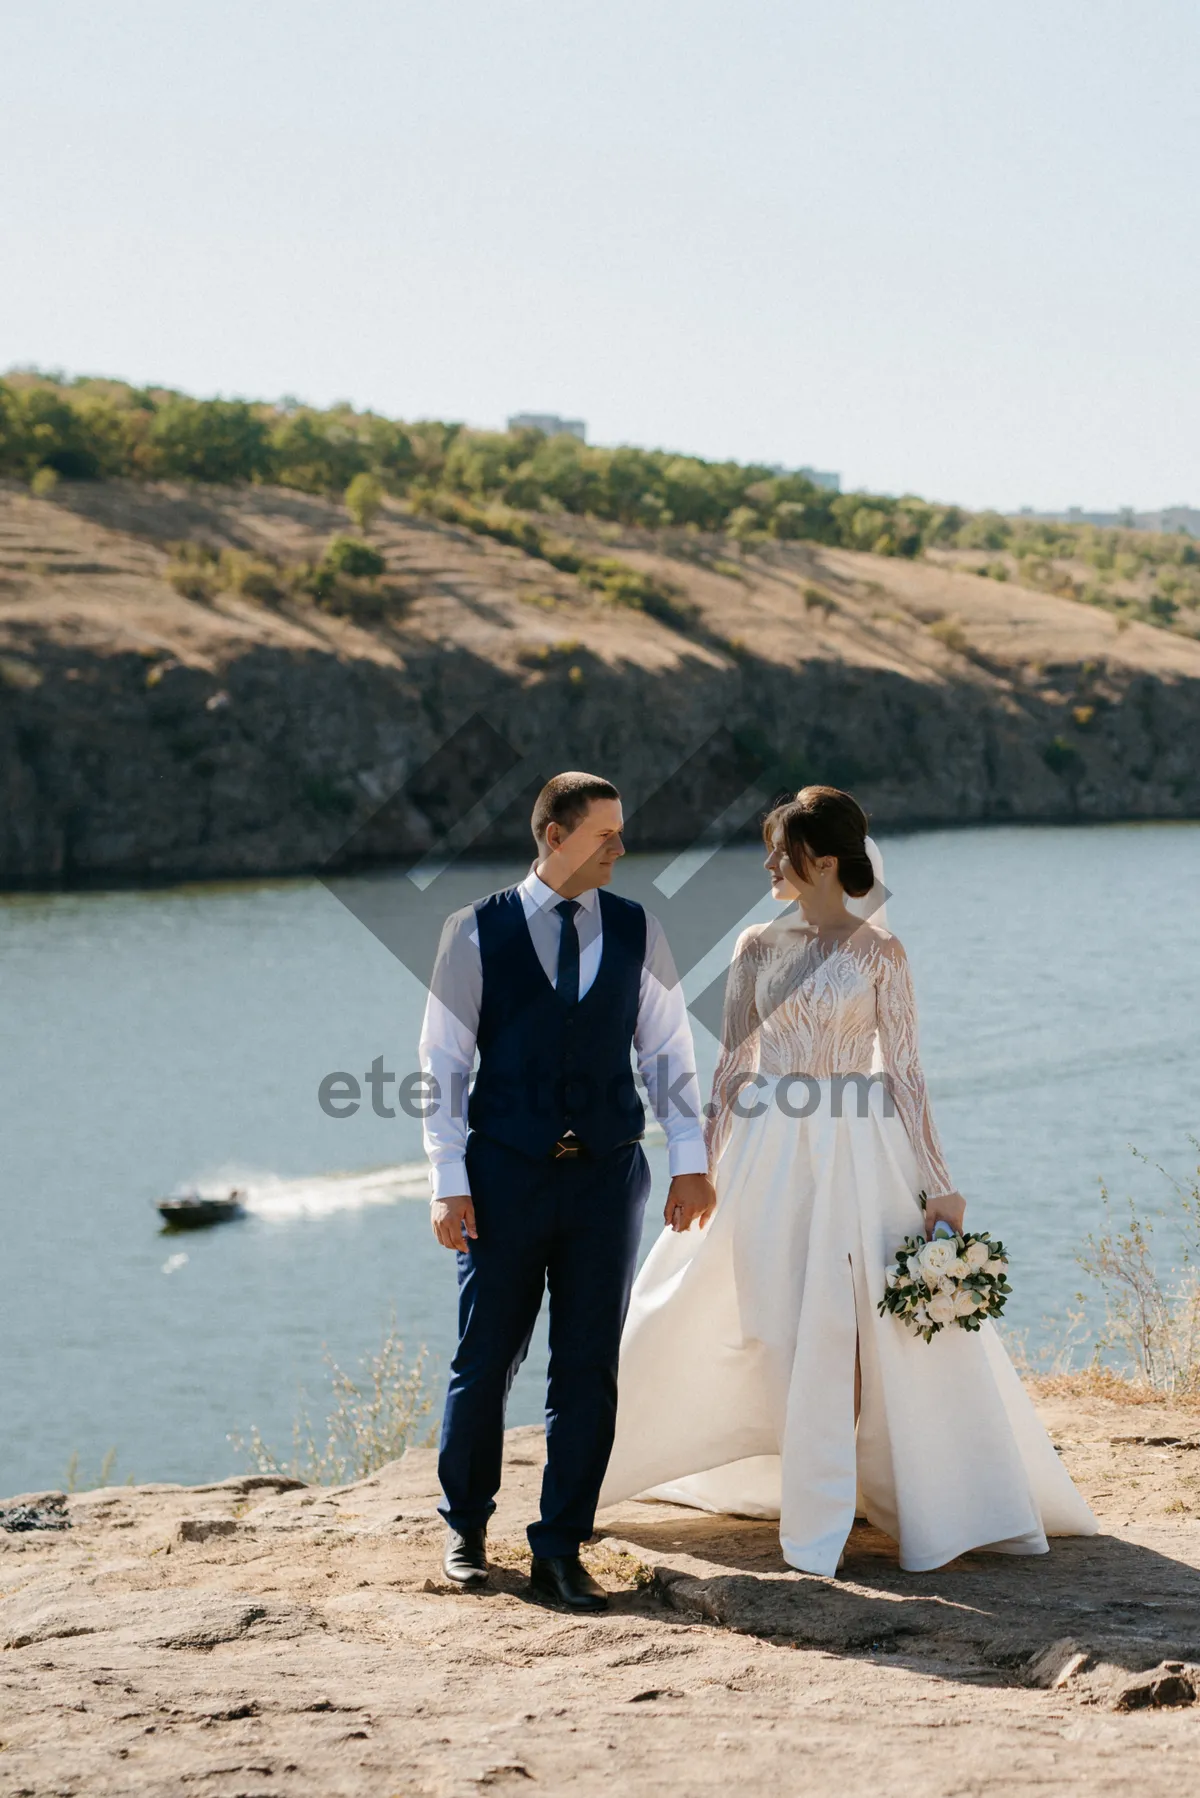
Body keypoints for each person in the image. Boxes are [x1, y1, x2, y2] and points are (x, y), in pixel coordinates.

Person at [599, 786, 1096, 1574]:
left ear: (823, 861)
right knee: (770, 1323)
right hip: (765, 1154)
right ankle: (770, 1472)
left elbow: (905, 1074)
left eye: (780, 851)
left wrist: (939, 1183)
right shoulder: (756, 946)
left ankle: (827, 1512)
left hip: (857, 1156)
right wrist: (698, 1168)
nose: (767, 863)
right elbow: (732, 1066)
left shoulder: (881, 954)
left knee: (847, 1331)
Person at [420, 772, 715, 1610]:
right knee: (486, 1360)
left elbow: (667, 1056)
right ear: (554, 835)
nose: (621, 848)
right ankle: (466, 1530)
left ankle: (561, 1546)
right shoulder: (473, 932)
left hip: (607, 1180)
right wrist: (448, 1181)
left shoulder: (637, 927)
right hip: (503, 1178)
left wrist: (690, 1160)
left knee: (588, 1369)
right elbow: (442, 1066)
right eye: (605, 834)